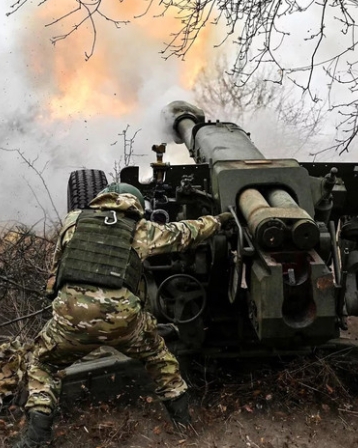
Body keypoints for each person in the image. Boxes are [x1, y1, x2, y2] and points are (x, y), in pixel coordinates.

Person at [15, 182, 232, 447]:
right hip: (123, 322)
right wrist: (218, 221)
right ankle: (186, 427)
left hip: (70, 319)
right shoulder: (140, 230)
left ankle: (36, 437)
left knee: (42, 363)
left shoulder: (72, 221)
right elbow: (184, 233)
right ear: (136, 203)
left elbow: (54, 275)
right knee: (159, 358)